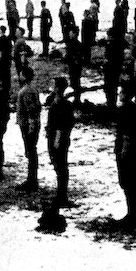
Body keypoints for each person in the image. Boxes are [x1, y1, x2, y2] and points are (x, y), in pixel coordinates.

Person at [45, 75, 75, 214]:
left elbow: (60, 126)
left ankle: (62, 194)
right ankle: (62, 193)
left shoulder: (58, 105)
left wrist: (57, 140)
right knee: (61, 166)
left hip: (57, 138)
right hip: (61, 138)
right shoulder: (64, 103)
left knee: (60, 166)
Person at [16, 67, 42, 192]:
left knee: (30, 152)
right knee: (31, 151)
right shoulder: (32, 89)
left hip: (28, 125)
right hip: (30, 124)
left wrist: (31, 126)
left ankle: (32, 180)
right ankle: (31, 179)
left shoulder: (26, 91)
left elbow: (31, 110)